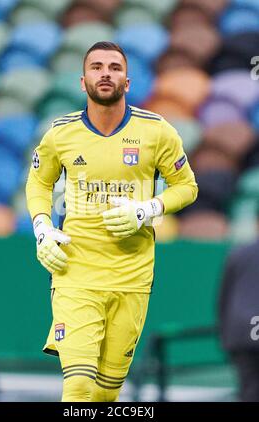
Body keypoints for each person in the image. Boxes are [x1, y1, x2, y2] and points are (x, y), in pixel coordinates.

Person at [25, 41, 198, 402]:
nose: (106, 73)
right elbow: (39, 182)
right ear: (82, 80)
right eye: (97, 67)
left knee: (105, 394)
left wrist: (146, 210)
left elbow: (187, 187)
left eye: (115, 67)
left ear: (128, 81)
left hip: (132, 276)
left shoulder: (157, 131)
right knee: (79, 386)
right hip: (76, 272)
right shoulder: (61, 133)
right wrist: (42, 230)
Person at [219, 211, 259, 402]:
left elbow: (223, 298)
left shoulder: (238, 253)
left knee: (249, 390)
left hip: (240, 333)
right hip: (248, 330)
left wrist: (225, 335)